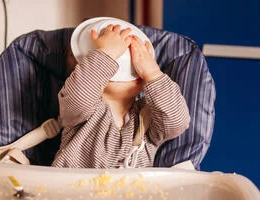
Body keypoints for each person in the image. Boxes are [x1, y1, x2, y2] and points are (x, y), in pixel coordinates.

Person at [51, 22, 190, 168]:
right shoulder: (81, 112)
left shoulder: (149, 114)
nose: (135, 64)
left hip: (132, 190)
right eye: (122, 57)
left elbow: (177, 122)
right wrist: (106, 53)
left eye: (139, 56)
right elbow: (79, 96)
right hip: (73, 188)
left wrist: (153, 73)